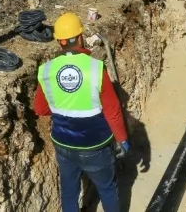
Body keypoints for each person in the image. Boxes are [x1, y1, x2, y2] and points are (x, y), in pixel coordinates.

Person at [33, 12, 130, 212]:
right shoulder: (94, 68)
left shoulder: (47, 70)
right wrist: (122, 138)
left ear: (59, 41)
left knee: (69, 190)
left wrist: (66, 104)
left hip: (63, 144)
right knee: (108, 189)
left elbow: (41, 109)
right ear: (79, 37)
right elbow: (113, 111)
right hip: (95, 145)